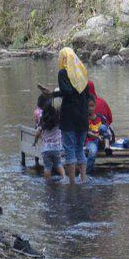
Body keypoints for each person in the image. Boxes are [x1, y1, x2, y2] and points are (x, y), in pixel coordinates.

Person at [37, 47, 89, 184]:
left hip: (69, 117)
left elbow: (67, 92)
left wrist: (51, 94)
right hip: (83, 117)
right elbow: (86, 95)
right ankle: (83, 179)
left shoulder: (62, 73)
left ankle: (72, 182)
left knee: (70, 149)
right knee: (79, 148)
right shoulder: (81, 71)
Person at [32, 100, 65, 182]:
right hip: (57, 148)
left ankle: (48, 183)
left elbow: (37, 133)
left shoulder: (42, 123)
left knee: (47, 167)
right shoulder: (58, 122)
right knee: (58, 164)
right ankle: (64, 179)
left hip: (46, 149)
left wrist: (35, 142)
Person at [84, 96, 112, 173]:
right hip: (91, 141)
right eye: (88, 106)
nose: (90, 108)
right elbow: (87, 133)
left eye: (92, 106)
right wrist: (97, 136)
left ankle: (107, 146)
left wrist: (103, 137)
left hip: (102, 141)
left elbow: (107, 128)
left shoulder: (101, 117)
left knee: (103, 127)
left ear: (95, 106)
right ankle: (87, 173)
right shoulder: (84, 119)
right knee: (92, 152)